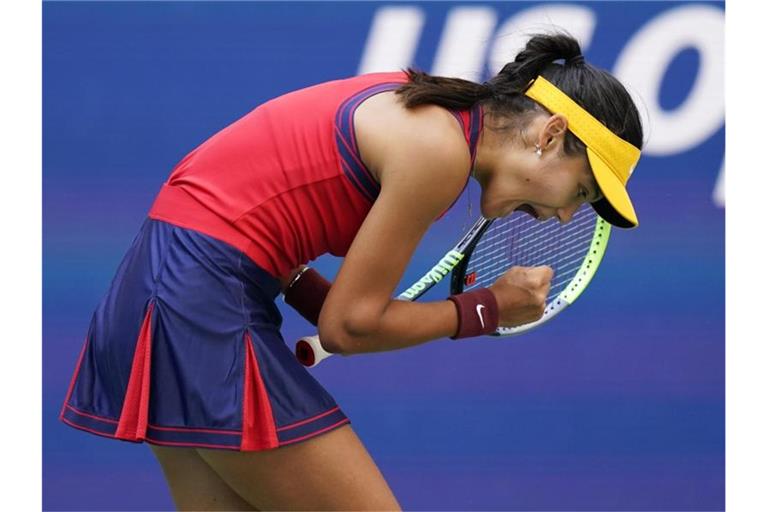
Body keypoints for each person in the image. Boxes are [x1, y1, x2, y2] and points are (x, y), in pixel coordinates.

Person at [60, 32, 643, 510]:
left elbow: (250, 219)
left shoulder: (425, 109)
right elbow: (350, 329)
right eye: (582, 191)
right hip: (197, 303)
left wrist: (303, 288)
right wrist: (486, 308)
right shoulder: (437, 151)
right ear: (551, 134)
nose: (568, 217)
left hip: (158, 289)